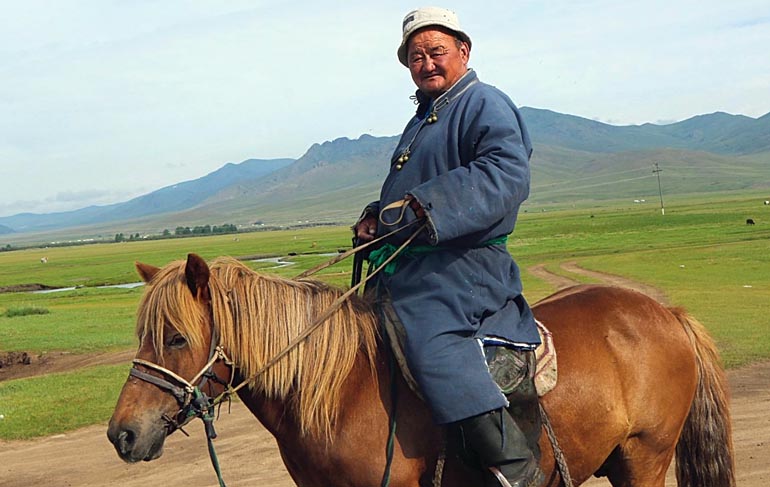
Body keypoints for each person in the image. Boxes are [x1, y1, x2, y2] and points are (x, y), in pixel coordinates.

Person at [354, 7, 543, 487]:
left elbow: (506, 173)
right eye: (416, 57)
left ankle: (516, 466)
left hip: (467, 267)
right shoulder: (424, 119)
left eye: (436, 51)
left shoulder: (484, 103)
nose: (427, 63)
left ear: (463, 50)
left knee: (432, 337)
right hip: (422, 264)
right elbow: (413, 190)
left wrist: (423, 207)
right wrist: (380, 215)